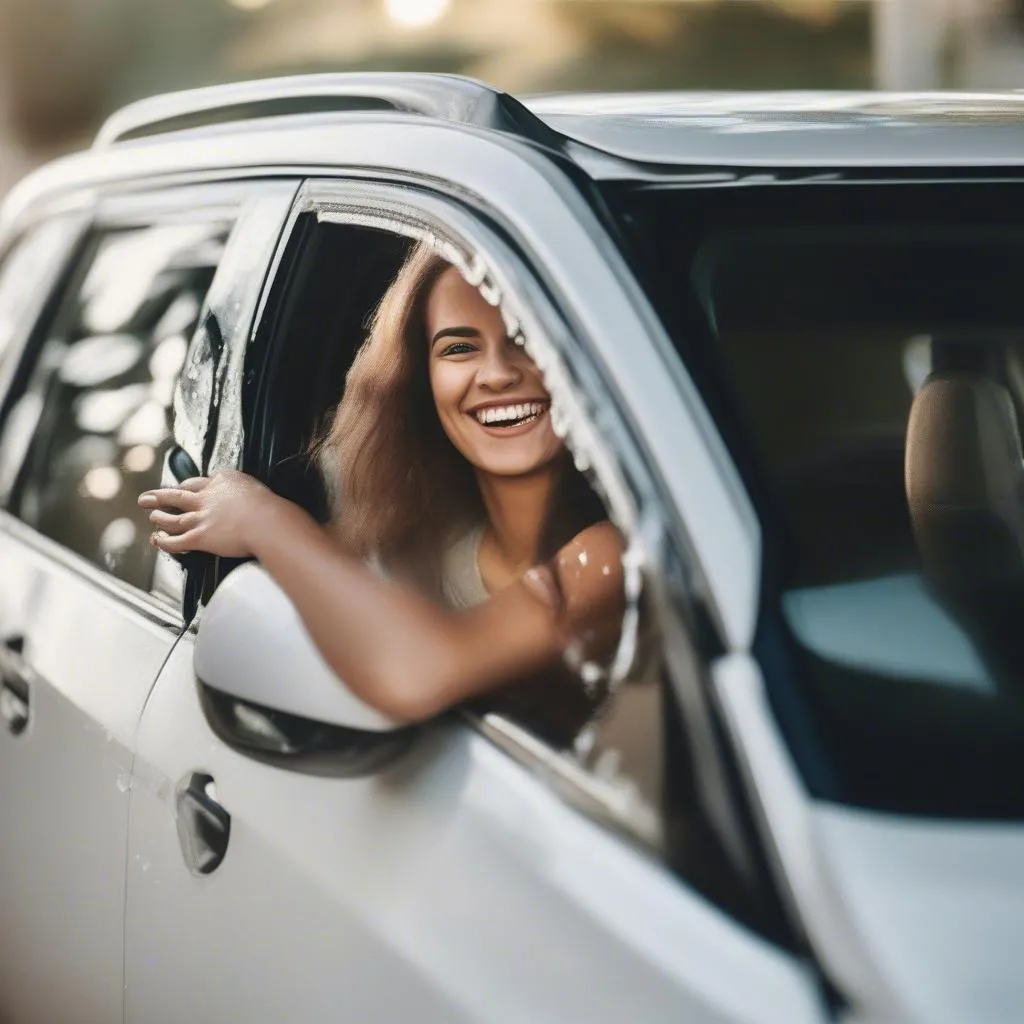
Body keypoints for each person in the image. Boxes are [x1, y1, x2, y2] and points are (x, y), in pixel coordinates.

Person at [138, 244, 626, 743]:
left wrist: (263, 520)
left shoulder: (611, 559)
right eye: (459, 348)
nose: (498, 373)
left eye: (528, 340)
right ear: (423, 380)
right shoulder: (426, 528)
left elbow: (418, 673)